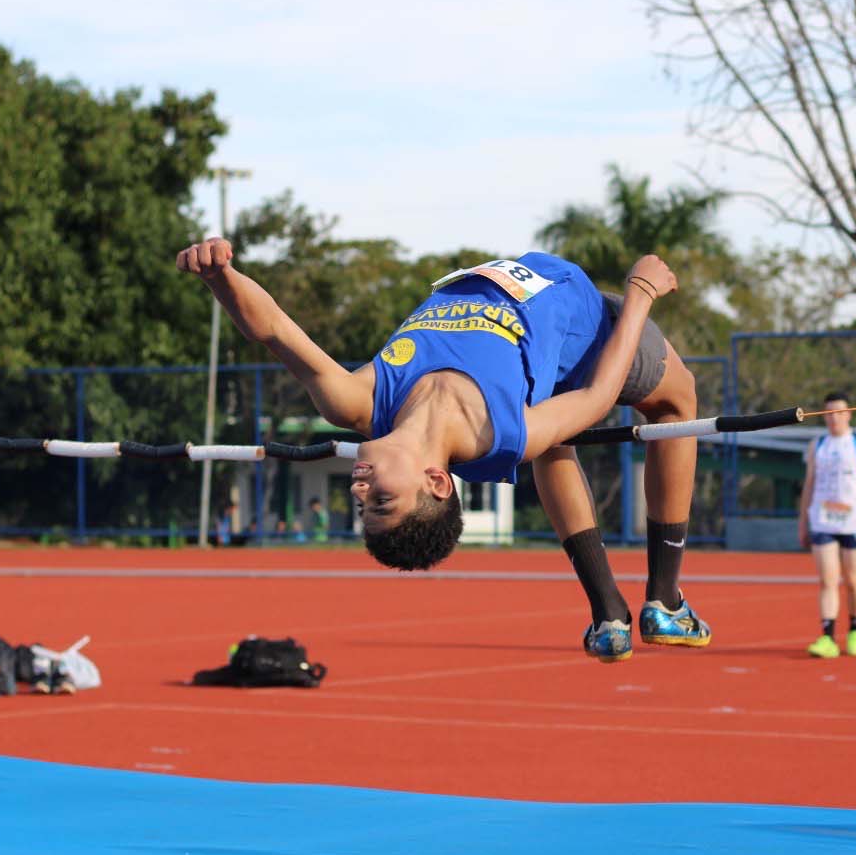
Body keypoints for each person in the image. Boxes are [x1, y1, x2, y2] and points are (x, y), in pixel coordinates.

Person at [177, 240, 709, 663]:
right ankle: (664, 599)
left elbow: (272, 328)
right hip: (587, 328)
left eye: (362, 505)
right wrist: (640, 293)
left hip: (523, 295)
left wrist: (220, 277)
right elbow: (597, 394)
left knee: (552, 440)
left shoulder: (358, 399)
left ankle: (609, 614)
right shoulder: (502, 429)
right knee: (676, 402)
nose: (359, 489)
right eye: (381, 501)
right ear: (436, 482)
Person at [798, 392, 856, 658]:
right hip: (822, 520)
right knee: (827, 580)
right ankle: (828, 637)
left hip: (853, 521)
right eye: (828, 413)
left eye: (839, 412)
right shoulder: (817, 445)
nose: (834, 418)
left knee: (853, 579)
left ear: (848, 414)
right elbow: (809, 484)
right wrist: (803, 521)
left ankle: (855, 630)